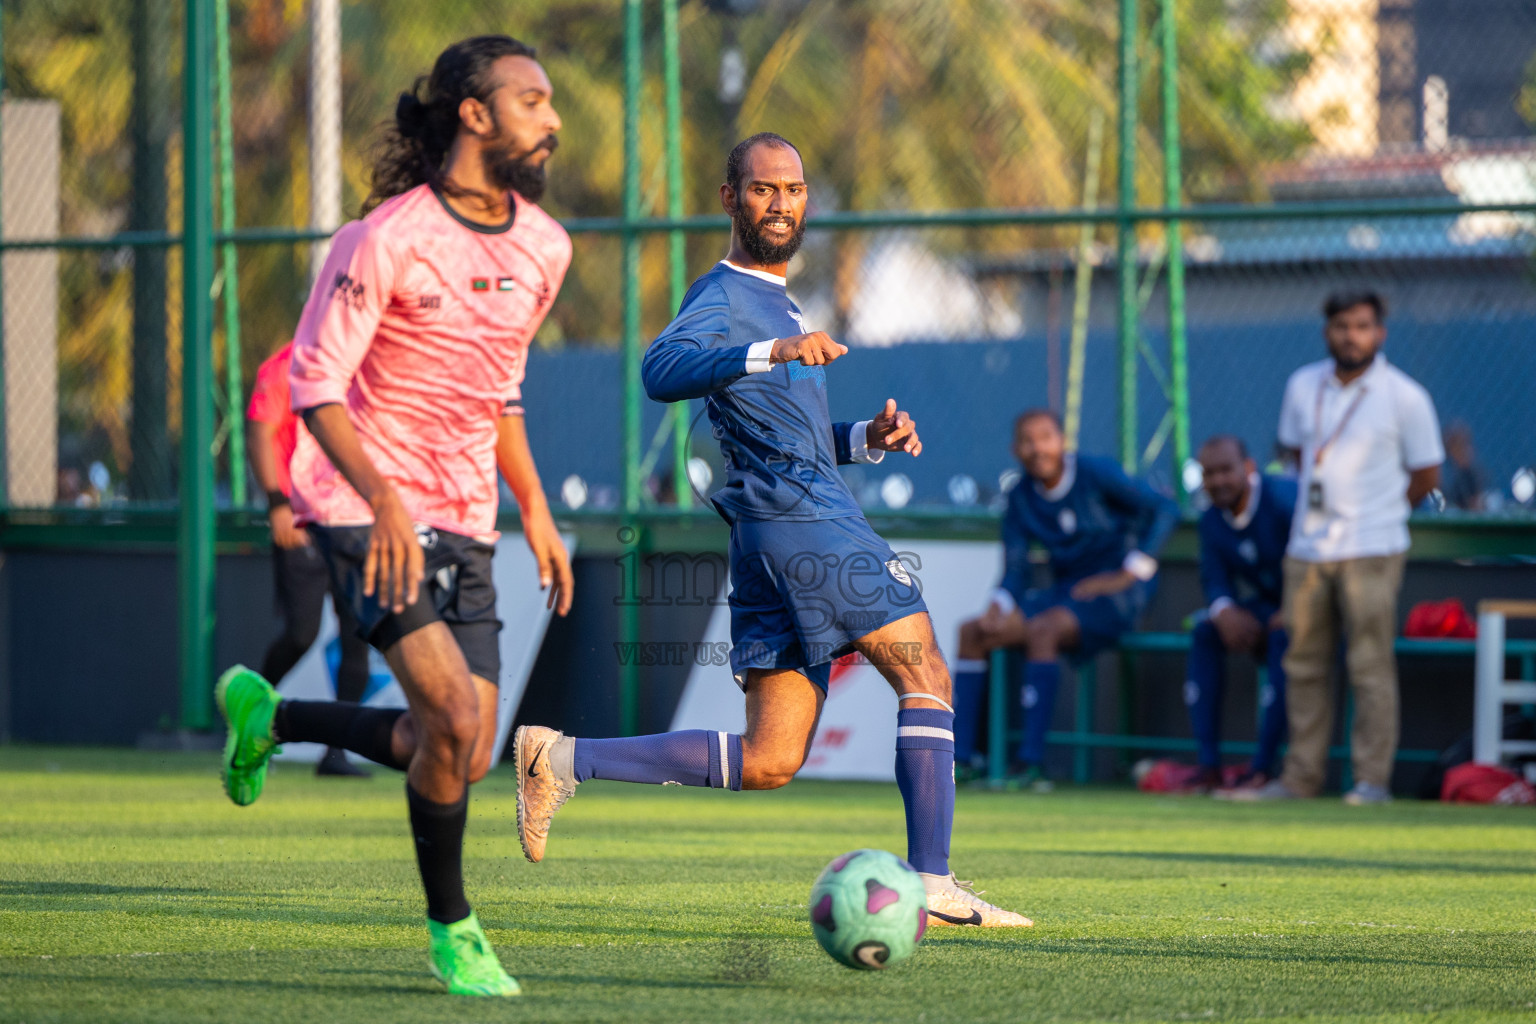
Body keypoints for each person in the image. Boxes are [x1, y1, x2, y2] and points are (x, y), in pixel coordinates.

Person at [510, 133, 1030, 929]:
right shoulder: (725, 297)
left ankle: (561, 757)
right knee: (926, 671)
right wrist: (767, 350)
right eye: (761, 188)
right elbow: (658, 371)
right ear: (730, 198)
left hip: (771, 533)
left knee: (770, 758)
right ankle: (931, 881)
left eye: (791, 189)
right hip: (806, 526)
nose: (779, 202)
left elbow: (783, 437)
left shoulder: (780, 301)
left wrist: (863, 440)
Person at [213, 36, 574, 996]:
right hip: (358, 505)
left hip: (467, 517)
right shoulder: (383, 238)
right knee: (452, 716)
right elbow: (314, 383)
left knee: (455, 745)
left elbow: (502, 394)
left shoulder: (547, 247)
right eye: (531, 100)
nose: (552, 118)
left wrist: (533, 507)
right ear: (473, 113)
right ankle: (454, 932)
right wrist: (378, 498)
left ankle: (272, 715)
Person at [1231, 290, 1442, 805]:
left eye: (1363, 326)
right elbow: (1297, 455)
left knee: (1369, 665)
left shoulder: (1405, 395)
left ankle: (1371, 781)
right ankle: (1300, 778)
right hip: (1306, 550)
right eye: (1342, 326)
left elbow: (1427, 474)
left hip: (1373, 546)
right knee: (1301, 664)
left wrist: (1384, 511)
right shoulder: (1303, 385)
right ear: (1327, 331)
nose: (1352, 335)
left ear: (1380, 333)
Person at [950, 410, 1178, 791]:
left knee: (1043, 629)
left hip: (1120, 596)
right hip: (1066, 594)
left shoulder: (1096, 472)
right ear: (1015, 449)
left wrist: (1130, 570)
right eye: (1027, 440)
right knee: (973, 632)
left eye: (1045, 437)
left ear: (1063, 441)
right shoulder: (1021, 496)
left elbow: (1165, 508)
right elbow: (1017, 565)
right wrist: (1000, 601)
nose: (1037, 447)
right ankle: (962, 762)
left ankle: (1031, 765)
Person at [246, 339, 372, 777]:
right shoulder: (285, 365)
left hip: (355, 520)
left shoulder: (367, 364)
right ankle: (250, 715)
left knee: (358, 635)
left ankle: (336, 753)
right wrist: (277, 502)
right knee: (301, 634)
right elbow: (260, 431)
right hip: (301, 521)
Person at [1188, 435, 1295, 793]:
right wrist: (1224, 610)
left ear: (1248, 468)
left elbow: (1317, 557)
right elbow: (1213, 577)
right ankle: (1208, 767)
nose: (1217, 481)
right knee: (1205, 632)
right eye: (1208, 473)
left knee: (1284, 634)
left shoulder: (1282, 502)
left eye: (1225, 471)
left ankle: (1263, 768)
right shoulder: (1211, 519)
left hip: (1310, 608)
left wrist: (1294, 606)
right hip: (1265, 606)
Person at [1442, 422, 1488, 511]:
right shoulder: (1445, 474)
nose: (1464, 451)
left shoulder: (1474, 473)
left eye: (1465, 444)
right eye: (1457, 446)